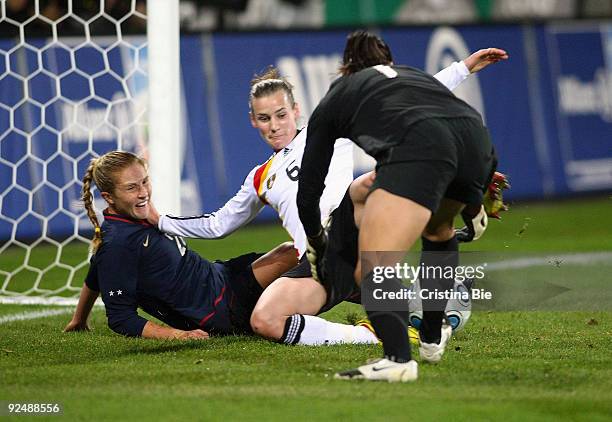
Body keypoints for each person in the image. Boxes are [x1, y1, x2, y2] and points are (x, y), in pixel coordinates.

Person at [147, 48, 507, 346]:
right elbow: (220, 224)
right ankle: (392, 328)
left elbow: (397, 97)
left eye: (281, 114)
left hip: (354, 230)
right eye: (264, 118)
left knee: (376, 179)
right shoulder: (259, 177)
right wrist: (159, 219)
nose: (274, 125)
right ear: (252, 121)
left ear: (296, 110)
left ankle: (464, 186)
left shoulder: (328, 130)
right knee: (267, 320)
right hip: (325, 264)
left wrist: (463, 69)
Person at [297, 31, 505, 381]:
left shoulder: (341, 93)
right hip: (477, 142)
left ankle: (397, 359)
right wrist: (472, 203)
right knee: (438, 231)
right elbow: (451, 121)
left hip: (422, 148)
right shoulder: (414, 77)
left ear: (346, 69)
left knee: (374, 268)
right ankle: (431, 335)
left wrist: (317, 242)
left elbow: (309, 187)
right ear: (389, 63)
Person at [63, 151, 298, 339]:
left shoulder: (136, 218)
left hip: (223, 277)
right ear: (109, 197)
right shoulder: (118, 244)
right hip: (222, 310)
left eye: (145, 181)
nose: (144, 192)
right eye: (132, 188)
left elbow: (96, 274)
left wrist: (79, 319)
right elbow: (120, 317)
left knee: (298, 251)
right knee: (300, 271)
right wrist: (178, 335)